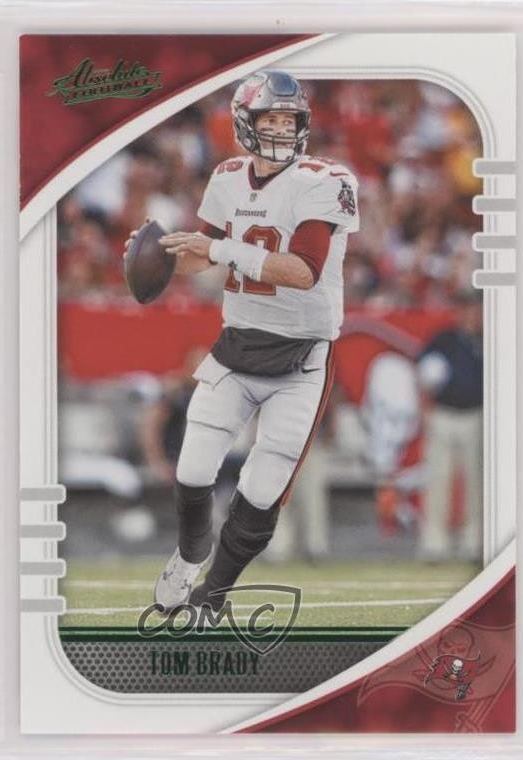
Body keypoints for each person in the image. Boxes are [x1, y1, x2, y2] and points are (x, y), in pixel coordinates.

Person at [127, 70, 359, 612]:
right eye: (269, 118)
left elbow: (303, 271)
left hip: (302, 357)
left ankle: (215, 593)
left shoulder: (323, 180)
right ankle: (190, 553)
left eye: (288, 120)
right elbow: (199, 257)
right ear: (244, 124)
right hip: (237, 346)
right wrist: (159, 255)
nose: (279, 129)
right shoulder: (228, 177)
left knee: (262, 488)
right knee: (191, 469)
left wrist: (222, 250)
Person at [416, 290, 483, 561]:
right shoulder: (443, 340)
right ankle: (435, 542)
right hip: (443, 414)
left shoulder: (488, 340)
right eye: (465, 309)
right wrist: (425, 411)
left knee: (476, 482)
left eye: (474, 309)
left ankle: (474, 539)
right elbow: (424, 374)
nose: (470, 315)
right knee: (438, 478)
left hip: (476, 415)